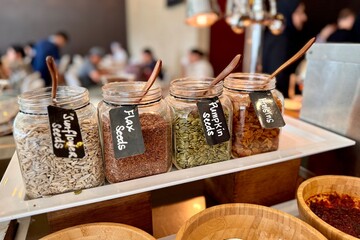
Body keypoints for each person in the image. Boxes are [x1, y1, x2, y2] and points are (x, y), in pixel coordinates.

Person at [262, 0, 308, 98]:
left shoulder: (281, 36)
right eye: (299, 12)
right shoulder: (281, 39)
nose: (304, 17)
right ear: (288, 12)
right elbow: (277, 79)